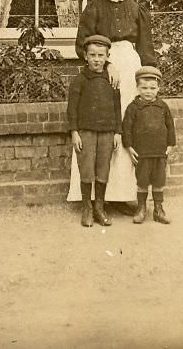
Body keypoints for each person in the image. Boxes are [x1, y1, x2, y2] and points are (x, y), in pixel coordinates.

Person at [67, 0, 157, 206]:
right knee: (105, 127)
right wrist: (106, 64)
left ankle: (126, 194)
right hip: (101, 72)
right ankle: (100, 197)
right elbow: (82, 46)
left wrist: (148, 77)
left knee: (129, 125)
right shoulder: (94, 9)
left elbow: (146, 47)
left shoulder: (137, 9)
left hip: (132, 69)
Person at [66, 35, 122, 227]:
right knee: (87, 169)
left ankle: (99, 207)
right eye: (93, 55)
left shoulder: (112, 80)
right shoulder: (79, 81)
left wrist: (117, 132)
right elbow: (72, 109)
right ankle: (87, 208)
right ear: (85, 56)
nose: (97, 59)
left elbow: (117, 107)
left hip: (107, 131)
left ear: (107, 56)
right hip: (86, 132)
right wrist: (74, 132)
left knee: (102, 169)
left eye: (101, 55)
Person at [122, 66, 176, 224]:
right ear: (137, 88)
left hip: (159, 152)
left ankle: (159, 210)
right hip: (142, 152)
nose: (148, 91)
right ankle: (141, 208)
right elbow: (127, 128)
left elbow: (170, 125)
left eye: (152, 88)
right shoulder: (133, 108)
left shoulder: (163, 107)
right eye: (144, 88)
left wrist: (170, 145)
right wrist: (129, 147)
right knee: (142, 181)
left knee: (159, 181)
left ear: (158, 88)